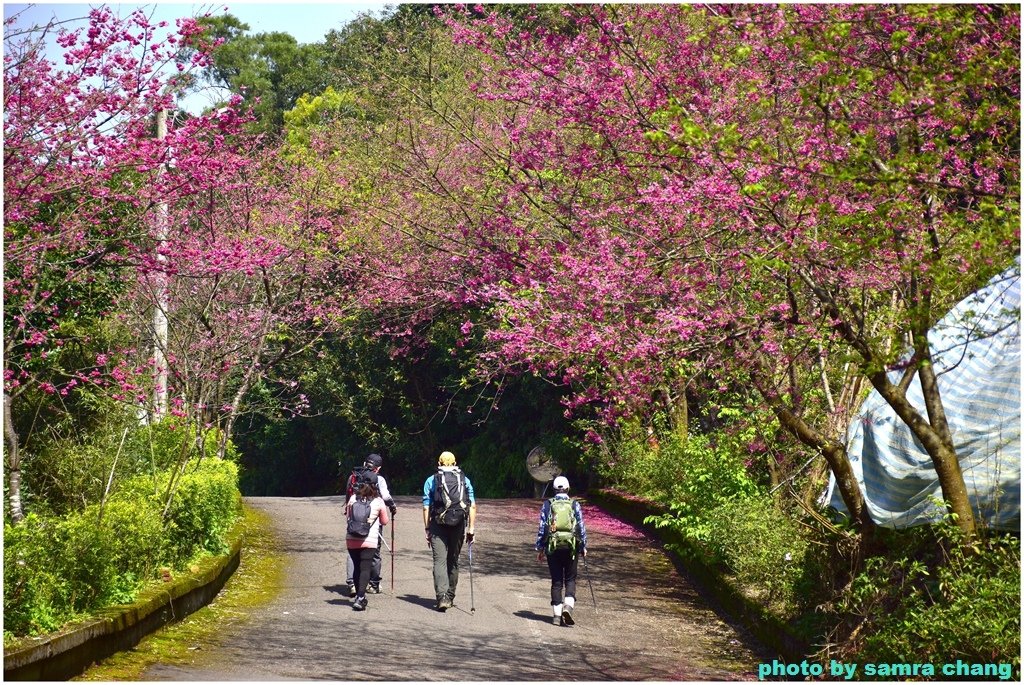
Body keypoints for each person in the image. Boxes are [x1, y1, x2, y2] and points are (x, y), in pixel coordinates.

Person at [422, 450, 476, 611]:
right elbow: (472, 505)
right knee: (453, 560)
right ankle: (450, 596)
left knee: (439, 561)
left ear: (439, 463)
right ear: (454, 463)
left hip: (438, 524)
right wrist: (471, 529)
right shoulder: (464, 480)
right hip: (459, 524)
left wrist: (427, 528)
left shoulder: (431, 480)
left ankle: (442, 597)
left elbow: (426, 507)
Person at [535, 475, 587, 626]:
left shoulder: (547, 504)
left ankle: (557, 616)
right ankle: (568, 608)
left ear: (554, 489)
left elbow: (543, 527)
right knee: (570, 579)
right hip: (571, 546)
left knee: (556, 581)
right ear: (568, 488)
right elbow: (581, 527)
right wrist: (583, 546)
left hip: (553, 546)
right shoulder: (574, 504)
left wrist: (540, 547)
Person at [346, 453, 397, 596]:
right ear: (378, 468)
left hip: (353, 519)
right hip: (372, 519)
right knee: (373, 552)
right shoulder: (378, 479)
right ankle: (373, 584)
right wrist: (392, 506)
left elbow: (348, 498)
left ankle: (352, 584)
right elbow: (386, 496)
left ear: (364, 463)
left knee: (353, 552)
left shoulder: (353, 476)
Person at [346, 478, 390, 611]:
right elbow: (385, 521)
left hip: (352, 539)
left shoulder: (353, 499)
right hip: (369, 540)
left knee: (357, 567)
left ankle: (358, 594)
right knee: (365, 568)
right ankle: (360, 598)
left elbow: (348, 518)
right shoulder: (378, 501)